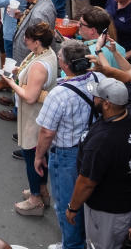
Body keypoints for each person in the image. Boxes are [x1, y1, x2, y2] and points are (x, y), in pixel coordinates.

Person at [35, 39, 102, 249]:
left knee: (67, 203)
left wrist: (38, 157)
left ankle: (72, 245)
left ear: (65, 65)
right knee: (85, 200)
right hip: (93, 147)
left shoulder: (59, 94)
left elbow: (46, 132)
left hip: (67, 155)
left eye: (60, 57)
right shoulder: (98, 78)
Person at [67, 77, 131, 249]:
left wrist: (73, 207)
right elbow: (130, 79)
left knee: (101, 246)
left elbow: (87, 182)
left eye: (97, 96)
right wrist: (105, 69)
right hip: (129, 199)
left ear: (106, 104)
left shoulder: (102, 142)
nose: (93, 98)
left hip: (108, 210)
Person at [7, 20, 58, 215]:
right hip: (37, 114)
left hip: (34, 117)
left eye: (28, 39)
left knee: (32, 157)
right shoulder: (45, 53)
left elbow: (29, 97)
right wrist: (18, 72)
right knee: (40, 156)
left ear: (37, 42)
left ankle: (35, 198)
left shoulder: (39, 65)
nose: (25, 41)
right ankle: (42, 190)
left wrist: (10, 82)